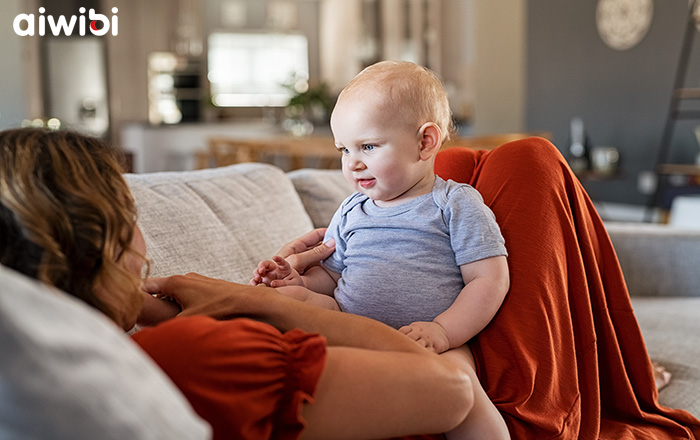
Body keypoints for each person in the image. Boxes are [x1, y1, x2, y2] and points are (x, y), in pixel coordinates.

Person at [0, 127, 474, 440]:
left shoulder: (86, 370)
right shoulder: (191, 353)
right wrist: (252, 300)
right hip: (451, 391)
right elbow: (453, 390)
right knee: (524, 162)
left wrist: (137, 306)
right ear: (105, 236)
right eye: (130, 213)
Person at [251, 60, 510, 439]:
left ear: (425, 142)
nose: (353, 163)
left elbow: (489, 279)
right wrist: (301, 282)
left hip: (428, 340)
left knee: (463, 390)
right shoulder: (351, 209)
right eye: (344, 149)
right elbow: (332, 274)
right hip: (349, 327)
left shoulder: (455, 204)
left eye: (368, 146)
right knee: (286, 298)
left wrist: (443, 331)